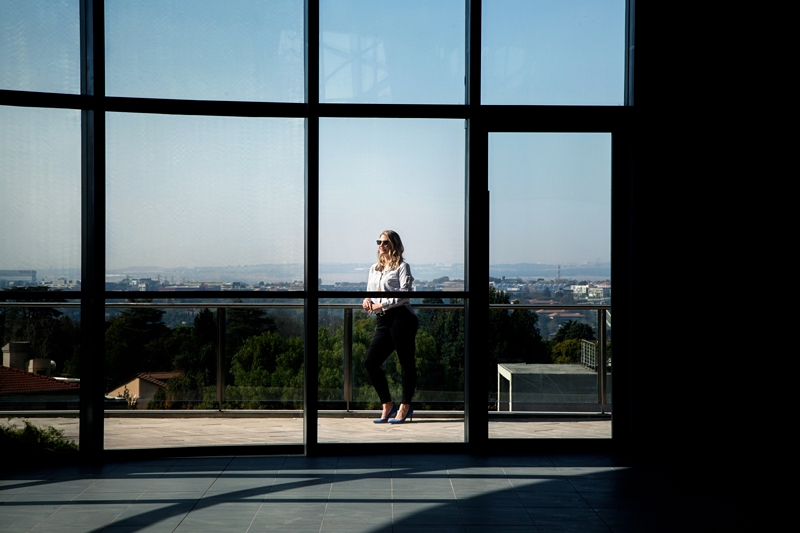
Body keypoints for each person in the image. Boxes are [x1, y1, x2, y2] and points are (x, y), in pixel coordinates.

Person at [362, 230, 419, 424]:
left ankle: (405, 406)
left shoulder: (403, 266)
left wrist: (383, 304)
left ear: (394, 244)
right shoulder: (374, 268)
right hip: (383, 320)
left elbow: (405, 294)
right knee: (370, 362)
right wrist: (367, 300)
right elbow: (370, 291)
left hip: (401, 318)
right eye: (379, 242)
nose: (381, 245)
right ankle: (387, 404)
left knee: (406, 363)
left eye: (385, 242)